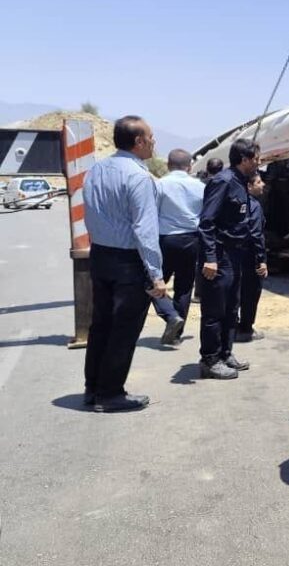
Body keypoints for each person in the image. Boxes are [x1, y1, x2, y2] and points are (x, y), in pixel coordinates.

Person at [82, 115, 166, 412]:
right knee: (124, 329)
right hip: (127, 262)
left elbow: (89, 215)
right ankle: (111, 393)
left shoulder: (95, 170)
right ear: (139, 141)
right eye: (152, 138)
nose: (155, 143)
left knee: (101, 326)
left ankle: (93, 388)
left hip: (100, 255)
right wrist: (156, 275)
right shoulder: (139, 177)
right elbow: (145, 229)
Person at [198, 139, 259, 380]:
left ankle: (225, 352)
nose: (259, 162)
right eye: (256, 158)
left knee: (232, 307)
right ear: (244, 160)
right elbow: (206, 223)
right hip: (220, 256)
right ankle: (210, 359)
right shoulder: (222, 181)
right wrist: (210, 258)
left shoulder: (240, 182)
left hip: (235, 254)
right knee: (215, 310)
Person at [151, 149, 203, 346]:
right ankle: (177, 334)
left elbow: (151, 214)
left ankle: (170, 315)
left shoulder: (160, 184)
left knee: (152, 282)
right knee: (184, 287)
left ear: (167, 165)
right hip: (192, 240)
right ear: (189, 166)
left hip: (166, 240)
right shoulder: (200, 186)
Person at [235, 171, 268, 342]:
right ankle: (246, 328)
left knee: (236, 292)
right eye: (259, 182)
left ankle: (233, 325)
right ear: (249, 186)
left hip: (235, 255)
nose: (262, 185)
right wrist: (261, 260)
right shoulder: (254, 205)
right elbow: (256, 234)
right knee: (251, 293)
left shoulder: (235, 201)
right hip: (250, 256)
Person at [192, 158, 224, 305]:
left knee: (201, 262)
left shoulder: (200, 184)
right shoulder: (222, 185)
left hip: (200, 227)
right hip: (216, 229)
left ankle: (199, 293)